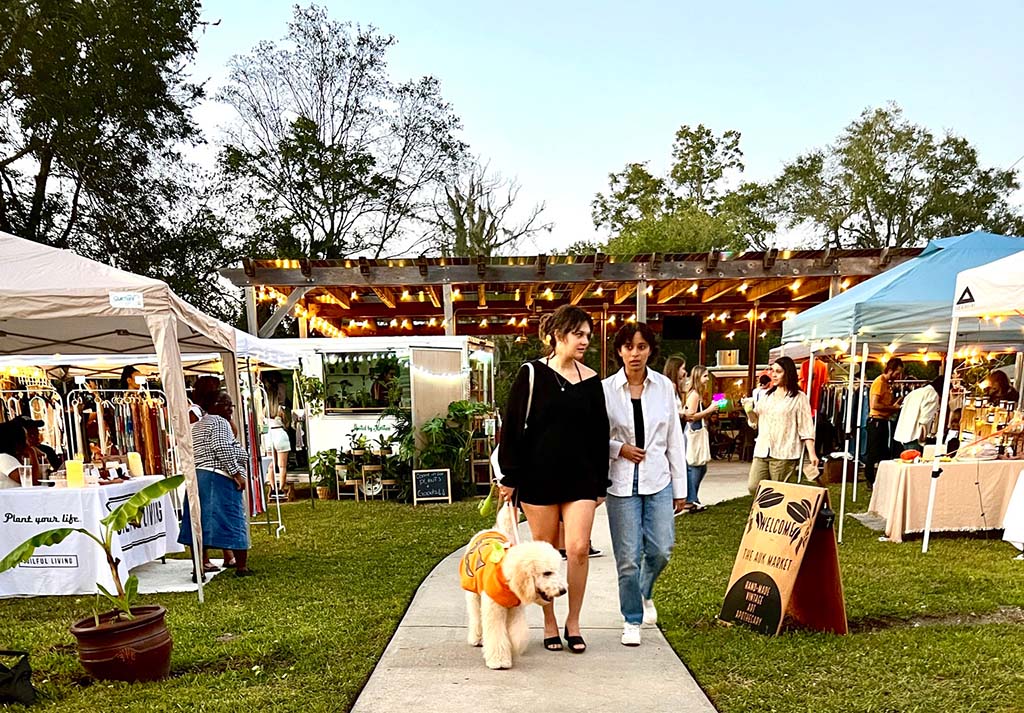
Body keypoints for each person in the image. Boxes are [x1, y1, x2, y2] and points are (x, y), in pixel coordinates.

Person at [497, 305, 609, 654]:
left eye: (588, 335)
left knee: (576, 549)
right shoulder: (531, 374)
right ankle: (548, 622)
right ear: (559, 335)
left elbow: (599, 434)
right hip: (537, 478)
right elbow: (513, 427)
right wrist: (510, 477)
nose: (585, 341)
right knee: (544, 553)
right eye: (579, 334)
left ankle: (572, 621)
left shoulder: (592, 381)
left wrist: (600, 483)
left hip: (581, 480)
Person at [603, 323, 687, 647]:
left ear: (650, 349)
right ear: (619, 352)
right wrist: (618, 448)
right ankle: (632, 618)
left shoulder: (664, 387)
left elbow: (674, 440)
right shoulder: (606, 389)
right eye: (628, 347)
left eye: (641, 346)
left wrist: (681, 489)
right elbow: (594, 435)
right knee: (627, 556)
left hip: (658, 479)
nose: (634, 353)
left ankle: (645, 589)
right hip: (620, 482)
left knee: (661, 549)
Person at [178, 386, 255, 578]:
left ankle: (199, 567)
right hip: (218, 477)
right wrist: (237, 472)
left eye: (232, 405)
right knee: (233, 518)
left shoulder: (197, 424)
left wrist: (238, 452)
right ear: (212, 405)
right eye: (225, 404)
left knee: (198, 523)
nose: (230, 408)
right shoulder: (219, 422)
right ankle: (241, 566)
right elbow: (221, 447)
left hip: (198, 477)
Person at [744, 356, 818, 494]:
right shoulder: (766, 396)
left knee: (778, 492)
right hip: (762, 449)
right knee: (754, 487)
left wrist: (812, 454)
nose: (773, 374)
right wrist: (748, 411)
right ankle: (767, 513)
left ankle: (774, 514)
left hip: (784, 451)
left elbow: (806, 428)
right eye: (772, 371)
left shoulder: (799, 398)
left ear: (788, 373)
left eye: (778, 371)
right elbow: (755, 422)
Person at [682, 365, 724, 512]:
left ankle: (692, 498)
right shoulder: (694, 395)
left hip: (696, 433)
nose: (707, 379)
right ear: (698, 377)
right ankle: (691, 499)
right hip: (693, 434)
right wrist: (709, 410)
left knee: (700, 467)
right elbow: (691, 417)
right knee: (695, 466)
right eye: (705, 376)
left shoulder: (697, 394)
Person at [864, 358, 905, 489]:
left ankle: (881, 478)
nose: (898, 376)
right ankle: (870, 479)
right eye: (897, 373)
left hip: (883, 421)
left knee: (884, 452)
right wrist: (894, 408)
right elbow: (874, 404)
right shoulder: (879, 383)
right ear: (890, 370)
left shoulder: (887, 384)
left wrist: (894, 405)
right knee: (873, 451)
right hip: (876, 421)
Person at [894, 376, 943, 452]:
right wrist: (923, 438)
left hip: (903, 434)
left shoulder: (915, 392)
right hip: (915, 436)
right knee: (915, 461)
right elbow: (925, 419)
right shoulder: (932, 394)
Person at [0, 421, 32, 488]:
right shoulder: (4, 458)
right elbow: (29, 481)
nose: (28, 443)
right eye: (26, 438)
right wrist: (32, 452)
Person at [662, 354, 688, 419]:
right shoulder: (671, 386)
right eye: (683, 368)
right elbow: (668, 410)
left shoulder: (672, 385)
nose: (684, 372)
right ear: (676, 369)